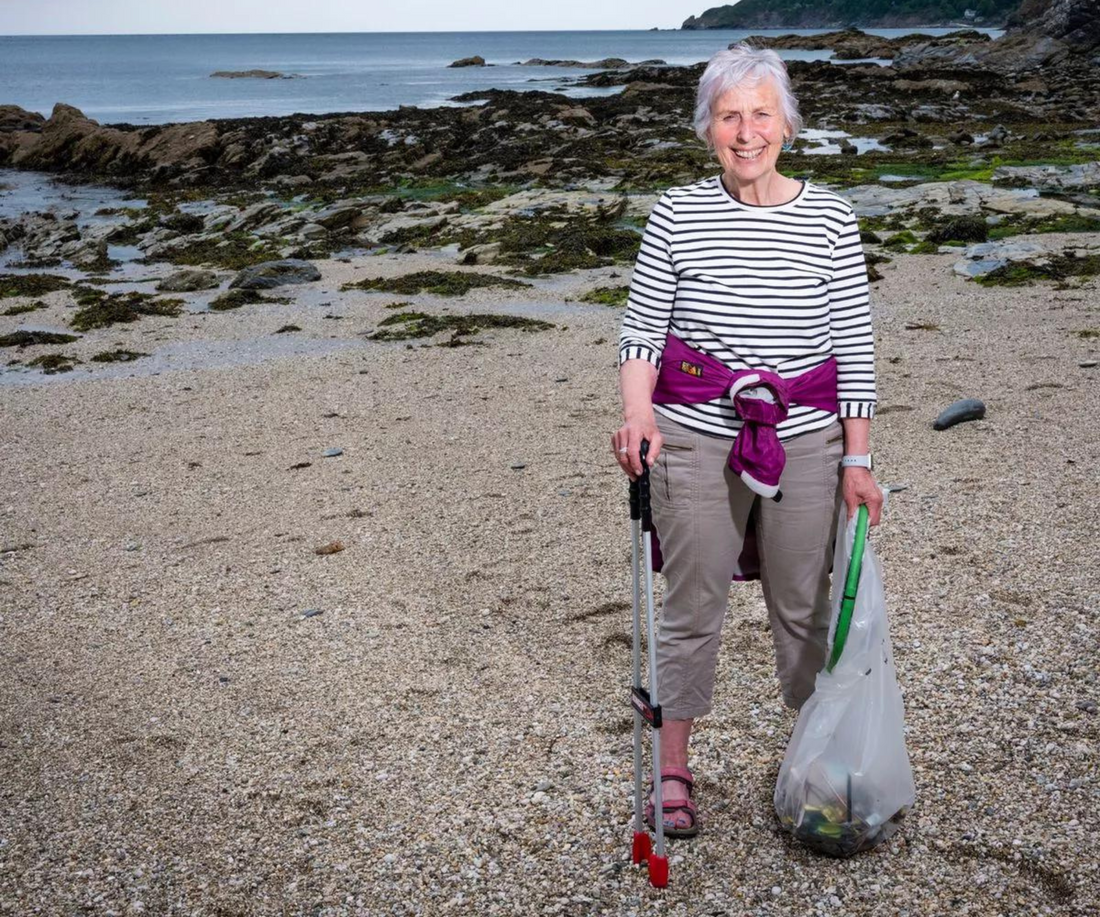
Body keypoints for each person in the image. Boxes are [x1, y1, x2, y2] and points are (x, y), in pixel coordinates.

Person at [611, 43, 883, 839]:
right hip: (694, 433)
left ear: (787, 124)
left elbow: (854, 348)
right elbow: (641, 336)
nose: (746, 130)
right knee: (693, 603)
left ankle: (817, 762)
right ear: (707, 129)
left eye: (761, 112)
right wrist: (640, 416)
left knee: (804, 606)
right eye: (729, 115)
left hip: (806, 439)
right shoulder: (677, 213)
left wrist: (858, 460)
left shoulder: (831, 215)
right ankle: (671, 765)